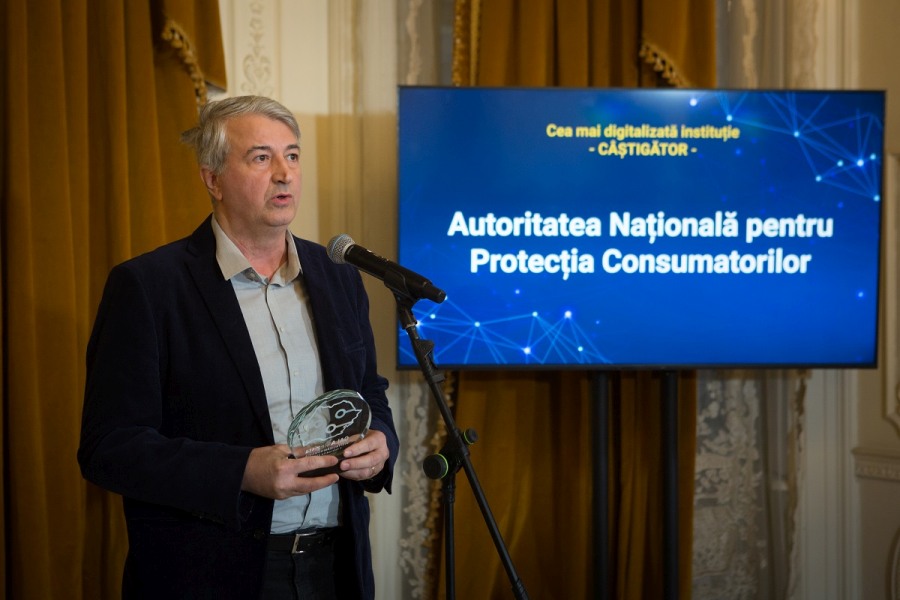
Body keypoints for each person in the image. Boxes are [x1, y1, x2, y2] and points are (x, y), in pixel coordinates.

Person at [78, 95, 399, 599]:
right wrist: (242, 472)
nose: (284, 174)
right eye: (261, 157)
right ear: (213, 179)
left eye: (292, 156)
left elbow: (368, 391)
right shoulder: (149, 287)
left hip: (335, 568)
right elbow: (109, 448)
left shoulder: (338, 276)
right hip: (211, 573)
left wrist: (381, 442)